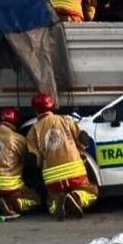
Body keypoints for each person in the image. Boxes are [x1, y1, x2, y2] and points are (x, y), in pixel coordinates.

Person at [26, 93, 98, 221]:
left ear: (35, 110)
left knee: (51, 203)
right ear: (52, 106)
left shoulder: (33, 130)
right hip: (75, 172)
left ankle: (58, 202)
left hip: (52, 177)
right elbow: (83, 142)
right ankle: (76, 197)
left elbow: (34, 160)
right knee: (91, 192)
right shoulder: (65, 120)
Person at [0, 107, 41, 216]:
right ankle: (14, 203)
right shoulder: (19, 140)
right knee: (36, 200)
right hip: (9, 186)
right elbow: (25, 160)